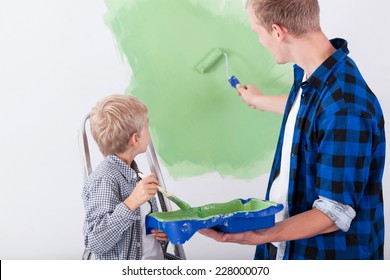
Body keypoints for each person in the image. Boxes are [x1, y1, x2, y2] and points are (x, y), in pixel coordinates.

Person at [200, 0, 385, 260]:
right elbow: (311, 113)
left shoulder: (346, 108)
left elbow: (334, 214)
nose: (260, 40)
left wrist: (260, 235)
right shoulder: (314, 74)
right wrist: (260, 101)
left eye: (258, 32)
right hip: (287, 247)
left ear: (277, 31)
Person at [82, 94, 167, 260]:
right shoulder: (104, 179)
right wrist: (131, 203)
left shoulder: (134, 173)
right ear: (135, 139)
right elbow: (94, 242)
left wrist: (160, 232)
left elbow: (140, 230)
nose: (149, 132)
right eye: (147, 126)